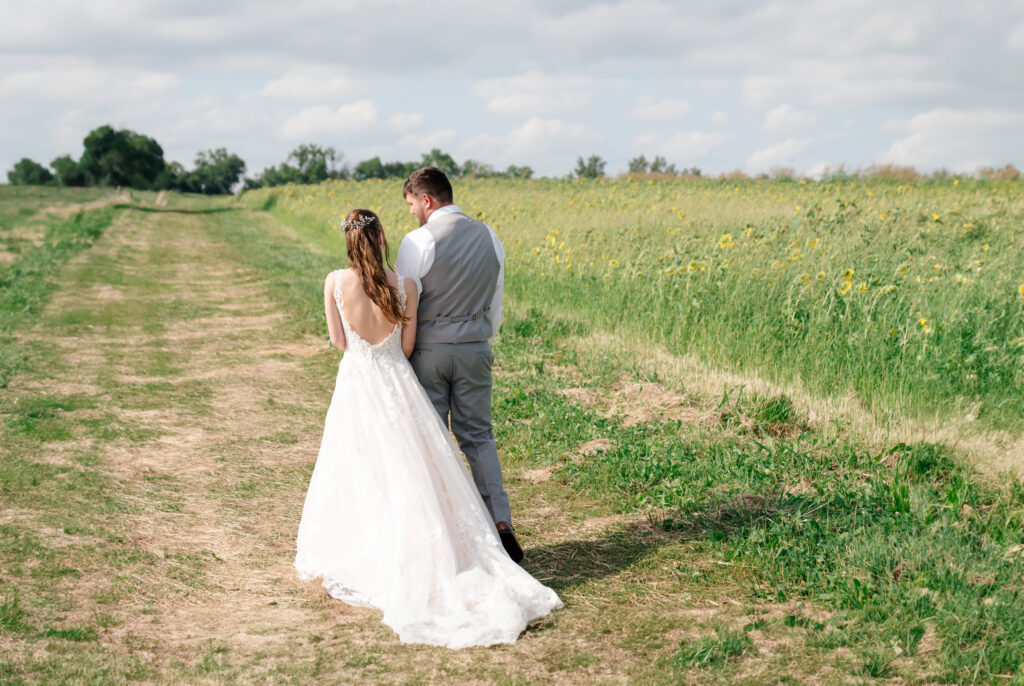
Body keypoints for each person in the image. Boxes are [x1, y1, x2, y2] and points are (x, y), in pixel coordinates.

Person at [294, 209, 561, 649]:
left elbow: (339, 342)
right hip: (399, 383)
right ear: (381, 238)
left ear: (348, 241)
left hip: (358, 383)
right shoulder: (406, 286)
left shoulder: (334, 282)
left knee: (360, 464)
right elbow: (407, 345)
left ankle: (372, 547)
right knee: (415, 466)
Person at [395, 167, 523, 562]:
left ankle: (442, 535)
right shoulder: (491, 237)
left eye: (412, 203)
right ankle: (500, 522)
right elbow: (495, 302)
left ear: (427, 199)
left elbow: (405, 307)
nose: (412, 211)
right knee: (479, 438)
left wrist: (404, 352)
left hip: (430, 352)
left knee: (431, 442)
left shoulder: (417, 242)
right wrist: (479, 337)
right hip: (475, 350)